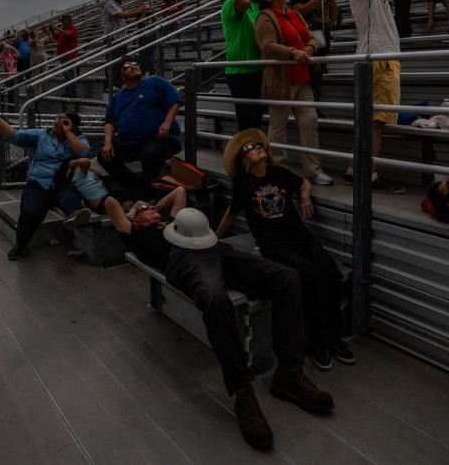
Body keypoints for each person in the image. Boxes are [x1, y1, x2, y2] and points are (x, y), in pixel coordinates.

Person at [108, 191, 334, 451]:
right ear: (134, 219)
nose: (151, 208)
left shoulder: (174, 223)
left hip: (213, 247)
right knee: (216, 300)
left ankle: (289, 373)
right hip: (184, 260)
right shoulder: (136, 234)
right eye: (145, 209)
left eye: (152, 206)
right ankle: (242, 391)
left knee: (288, 278)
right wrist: (134, 208)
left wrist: (151, 206)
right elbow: (111, 204)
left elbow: (179, 192)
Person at [216, 129, 354, 369]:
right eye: (249, 148)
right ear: (244, 161)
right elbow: (231, 214)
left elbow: (304, 183)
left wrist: (305, 197)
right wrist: (214, 238)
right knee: (308, 276)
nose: (257, 148)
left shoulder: (279, 174)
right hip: (273, 243)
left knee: (330, 274)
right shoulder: (243, 184)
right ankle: (316, 343)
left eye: (258, 145)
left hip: (299, 236)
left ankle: (335, 338)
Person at [341, 0, 407, 194]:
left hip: (381, 56)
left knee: (370, 122)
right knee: (376, 123)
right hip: (377, 58)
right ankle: (368, 174)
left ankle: (353, 170)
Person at [0, 105, 91, 261]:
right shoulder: (42, 135)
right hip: (38, 182)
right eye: (57, 118)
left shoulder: (78, 138)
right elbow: (15, 136)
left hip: (63, 182)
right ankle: (21, 245)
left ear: (72, 126)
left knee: (69, 197)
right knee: (30, 213)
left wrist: (68, 132)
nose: (57, 122)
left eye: (64, 121)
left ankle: (74, 214)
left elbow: (83, 153)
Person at [255, 0, 333, 185]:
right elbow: (267, 45)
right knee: (278, 126)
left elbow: (312, 38)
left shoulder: (294, 13)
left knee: (310, 122)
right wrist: (293, 53)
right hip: (281, 81)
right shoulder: (265, 17)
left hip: (303, 78)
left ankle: (313, 170)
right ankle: (279, 169)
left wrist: (308, 49)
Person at [220, 0, 293, 132]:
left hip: (258, 68)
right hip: (240, 71)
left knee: (256, 120)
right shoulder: (230, 2)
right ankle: (246, 154)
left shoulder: (256, 6)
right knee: (246, 121)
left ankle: (256, 155)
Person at [99, 60, 182, 199]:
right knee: (104, 156)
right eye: (127, 66)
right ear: (122, 76)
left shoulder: (154, 82)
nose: (133, 67)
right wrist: (108, 143)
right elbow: (110, 121)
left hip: (158, 138)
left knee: (150, 153)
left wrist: (167, 123)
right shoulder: (119, 96)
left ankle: (143, 192)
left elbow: (175, 102)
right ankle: (139, 188)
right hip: (130, 142)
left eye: (135, 64)